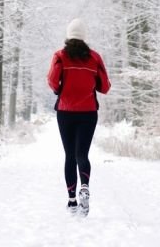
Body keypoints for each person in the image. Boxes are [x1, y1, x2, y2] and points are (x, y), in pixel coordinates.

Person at [47, 18, 111, 216]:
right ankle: (85, 186)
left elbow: (52, 81)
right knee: (82, 154)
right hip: (88, 112)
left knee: (69, 156)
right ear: (85, 37)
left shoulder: (60, 56)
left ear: (68, 35)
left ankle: (72, 201)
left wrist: (61, 89)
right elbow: (105, 86)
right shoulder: (94, 58)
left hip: (66, 112)